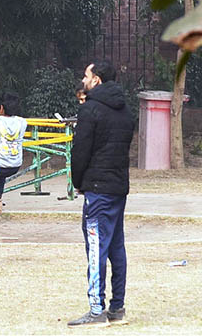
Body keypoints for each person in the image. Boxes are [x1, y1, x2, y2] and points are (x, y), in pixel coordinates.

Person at [66, 60, 134, 328]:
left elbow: (80, 150)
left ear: (97, 80)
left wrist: (78, 181)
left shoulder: (91, 109)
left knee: (96, 247)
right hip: (118, 186)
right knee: (116, 246)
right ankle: (117, 308)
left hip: (97, 188)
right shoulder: (125, 109)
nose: (83, 79)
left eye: (86, 75)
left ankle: (97, 309)